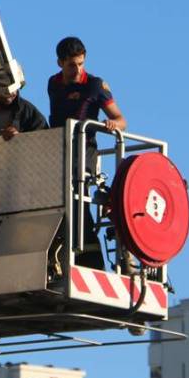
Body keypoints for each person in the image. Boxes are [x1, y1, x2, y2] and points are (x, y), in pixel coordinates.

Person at [47, 36, 127, 269]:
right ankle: (61, 251)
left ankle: (90, 258)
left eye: (81, 64)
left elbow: (121, 120)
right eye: (72, 64)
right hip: (57, 149)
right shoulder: (53, 83)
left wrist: (110, 125)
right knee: (57, 200)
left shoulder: (94, 85)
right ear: (60, 63)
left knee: (77, 197)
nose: (77, 69)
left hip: (83, 150)